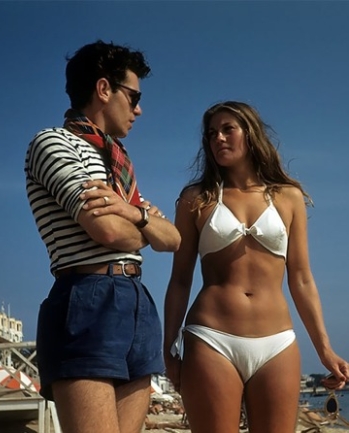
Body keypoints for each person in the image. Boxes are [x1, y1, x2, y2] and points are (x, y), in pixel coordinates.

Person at [162, 101, 349, 432]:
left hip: (276, 342)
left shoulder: (287, 197)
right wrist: (169, 348)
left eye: (227, 129)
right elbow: (179, 280)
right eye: (211, 133)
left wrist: (324, 349)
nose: (217, 138)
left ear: (250, 134)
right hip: (211, 338)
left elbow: (302, 279)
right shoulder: (197, 198)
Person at [25, 40, 180, 433]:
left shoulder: (117, 162)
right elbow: (109, 231)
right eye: (134, 97)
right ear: (104, 89)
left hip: (134, 299)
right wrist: (145, 221)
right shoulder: (53, 143)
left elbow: (173, 239)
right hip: (86, 295)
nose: (139, 109)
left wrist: (131, 212)